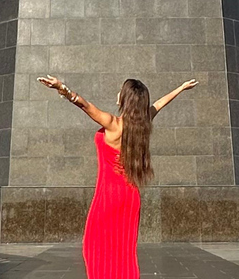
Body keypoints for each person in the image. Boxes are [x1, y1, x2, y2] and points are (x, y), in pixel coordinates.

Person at [37, 75, 199, 279]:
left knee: (92, 248)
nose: (117, 94)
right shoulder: (142, 124)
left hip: (109, 197)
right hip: (130, 197)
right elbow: (159, 104)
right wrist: (181, 87)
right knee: (124, 253)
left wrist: (62, 87)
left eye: (120, 91)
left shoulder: (112, 123)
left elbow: (84, 104)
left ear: (125, 99)